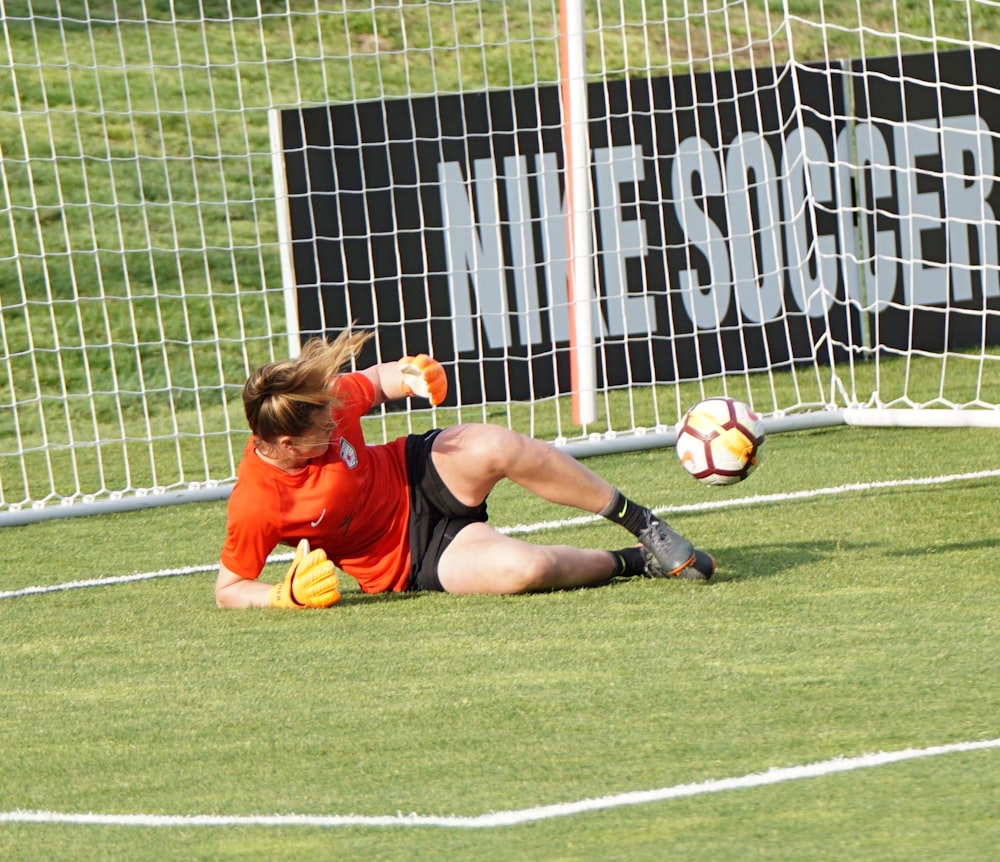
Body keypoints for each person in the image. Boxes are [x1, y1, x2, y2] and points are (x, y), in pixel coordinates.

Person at [214, 331, 714, 609]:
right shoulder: (258, 502)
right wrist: (284, 595)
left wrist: (410, 373)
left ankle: (642, 523)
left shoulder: (325, 403)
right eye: (323, 428)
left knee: (496, 442)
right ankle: (632, 561)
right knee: (528, 570)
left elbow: (376, 381)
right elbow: (230, 589)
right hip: (410, 559)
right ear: (285, 443)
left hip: (418, 471)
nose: (334, 423)